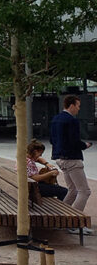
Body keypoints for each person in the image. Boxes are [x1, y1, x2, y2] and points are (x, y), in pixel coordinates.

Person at [51, 94, 92, 233]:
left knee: (73, 190)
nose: (79, 109)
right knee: (84, 191)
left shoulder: (56, 119)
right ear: (72, 105)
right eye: (78, 106)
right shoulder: (72, 121)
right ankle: (73, 223)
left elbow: (52, 140)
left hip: (59, 158)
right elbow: (74, 141)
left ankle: (60, 219)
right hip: (72, 159)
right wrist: (85, 145)